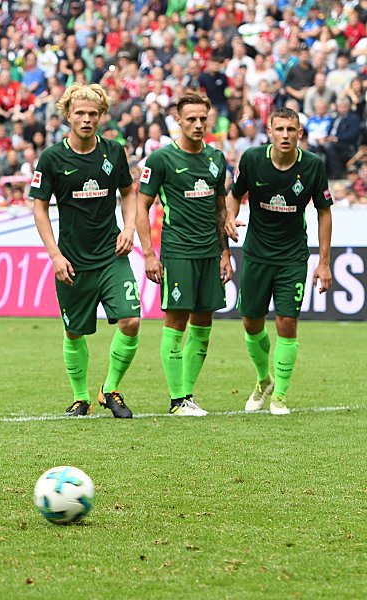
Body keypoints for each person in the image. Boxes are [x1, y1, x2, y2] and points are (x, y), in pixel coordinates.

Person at [30, 83, 141, 419]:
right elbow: (39, 208)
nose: (87, 119)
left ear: (101, 116)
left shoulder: (113, 152)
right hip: (72, 260)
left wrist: (129, 227)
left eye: (93, 114)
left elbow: (129, 192)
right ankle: (81, 399)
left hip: (111, 255)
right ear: (68, 115)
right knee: (74, 330)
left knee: (132, 320)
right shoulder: (51, 158)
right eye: (80, 113)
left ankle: (110, 390)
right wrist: (55, 255)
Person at [226, 107, 332, 415]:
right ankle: (264, 381)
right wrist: (230, 216)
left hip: (293, 257)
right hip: (257, 254)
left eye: (291, 130)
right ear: (269, 132)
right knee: (251, 321)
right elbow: (235, 193)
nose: (285, 135)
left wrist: (324, 262)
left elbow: (324, 212)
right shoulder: (251, 160)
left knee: (287, 323)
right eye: (279, 129)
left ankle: (280, 396)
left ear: (300, 133)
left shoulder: (313, 166)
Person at [136, 92, 232, 417]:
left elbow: (221, 210)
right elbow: (142, 208)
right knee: (176, 320)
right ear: (178, 120)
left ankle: (188, 395)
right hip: (178, 251)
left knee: (204, 322)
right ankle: (177, 400)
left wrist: (225, 254)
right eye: (190, 119)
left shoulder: (217, 159)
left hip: (210, 252)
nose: (197, 124)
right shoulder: (161, 160)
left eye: (202, 119)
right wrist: (149, 254)